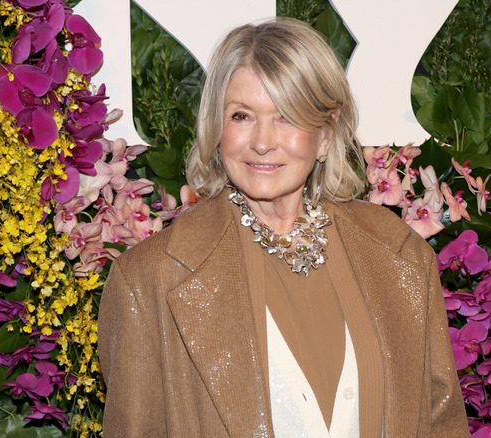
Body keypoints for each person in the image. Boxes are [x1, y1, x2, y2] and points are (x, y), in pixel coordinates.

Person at [98, 18, 469, 437]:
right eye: (241, 115)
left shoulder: (399, 252)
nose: (262, 141)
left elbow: (442, 424)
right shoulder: (149, 279)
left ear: (326, 134)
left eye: (286, 117)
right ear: (216, 129)